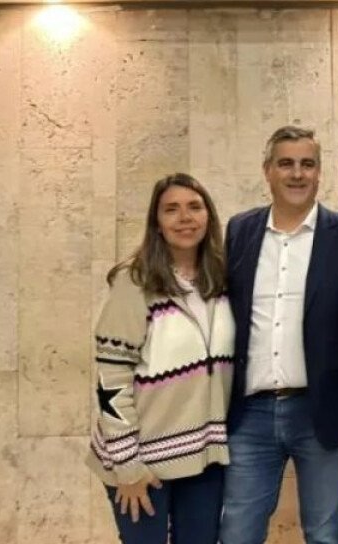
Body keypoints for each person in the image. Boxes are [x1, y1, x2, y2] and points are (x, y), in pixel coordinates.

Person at [220, 126, 338, 544]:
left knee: (325, 534)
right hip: (249, 413)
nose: (297, 174)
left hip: (323, 414)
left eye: (307, 164)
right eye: (286, 164)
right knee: (237, 532)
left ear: (319, 173)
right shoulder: (240, 231)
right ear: (267, 171)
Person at [87, 173, 234, 544]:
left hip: (203, 457)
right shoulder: (134, 282)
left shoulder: (221, 280)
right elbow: (110, 381)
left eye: (194, 207)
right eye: (171, 210)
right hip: (141, 461)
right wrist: (128, 465)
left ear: (209, 216)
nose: (185, 218)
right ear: (157, 222)